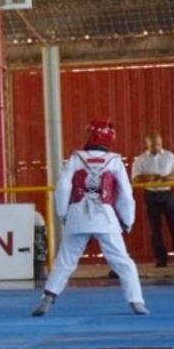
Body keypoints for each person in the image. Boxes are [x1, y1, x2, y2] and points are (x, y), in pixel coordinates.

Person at [32, 120, 148, 317]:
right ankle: (136, 301)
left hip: (77, 214)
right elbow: (126, 194)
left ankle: (47, 298)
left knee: (65, 260)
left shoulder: (76, 159)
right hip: (106, 216)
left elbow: (63, 188)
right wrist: (127, 220)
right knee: (122, 261)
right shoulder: (114, 161)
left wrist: (63, 213)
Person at [131, 133, 174, 267]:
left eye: (159, 144)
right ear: (147, 144)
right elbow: (135, 178)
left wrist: (167, 179)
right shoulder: (141, 160)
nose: (157, 147)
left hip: (168, 194)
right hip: (151, 195)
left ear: (162, 142)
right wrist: (150, 178)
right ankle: (161, 260)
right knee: (155, 230)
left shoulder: (170, 157)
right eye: (153, 145)